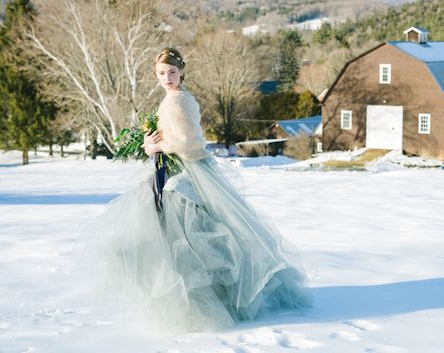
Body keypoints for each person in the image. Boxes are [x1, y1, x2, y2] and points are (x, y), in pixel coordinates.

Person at [79, 47, 311, 331]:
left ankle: (202, 304)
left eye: (172, 73)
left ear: (182, 72)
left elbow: (190, 144)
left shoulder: (178, 101)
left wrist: (155, 146)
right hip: (178, 170)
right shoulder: (175, 99)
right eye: (161, 74)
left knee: (190, 235)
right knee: (187, 234)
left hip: (185, 174)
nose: (167, 78)